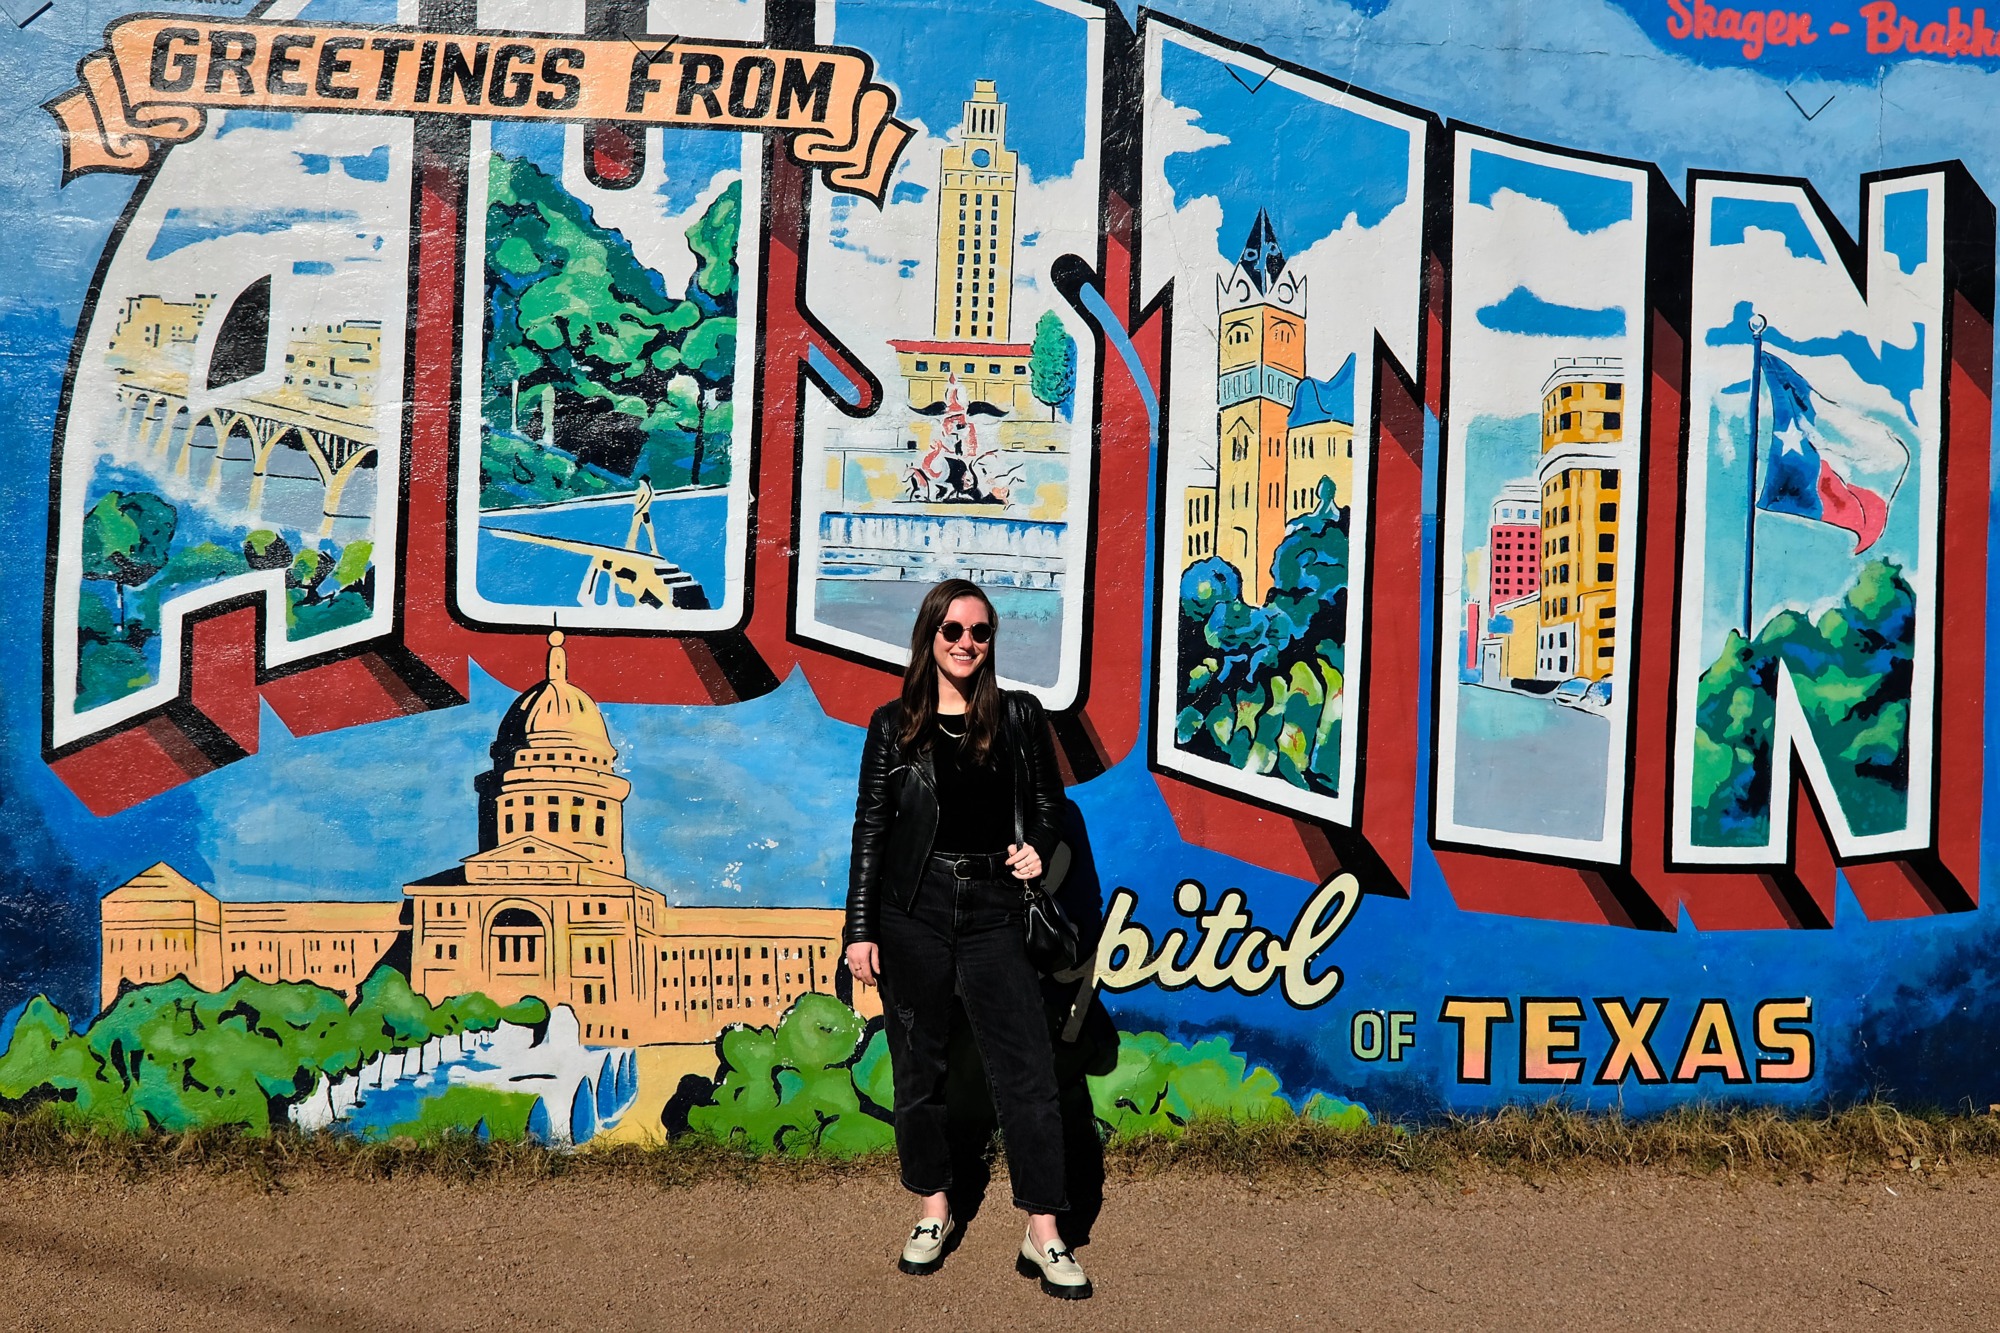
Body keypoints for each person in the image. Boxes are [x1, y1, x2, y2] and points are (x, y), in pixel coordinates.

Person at [844, 578, 1091, 1301]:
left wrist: (1038, 846)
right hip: (913, 911)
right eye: (952, 629)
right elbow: (871, 831)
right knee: (919, 1069)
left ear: (991, 642)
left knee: (1028, 1072)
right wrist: (859, 929)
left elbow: (1048, 804)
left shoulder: (1018, 716)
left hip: (993, 908)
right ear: (929, 635)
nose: (965, 642)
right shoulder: (894, 725)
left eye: (979, 632)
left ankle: (1044, 1229)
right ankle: (933, 1208)